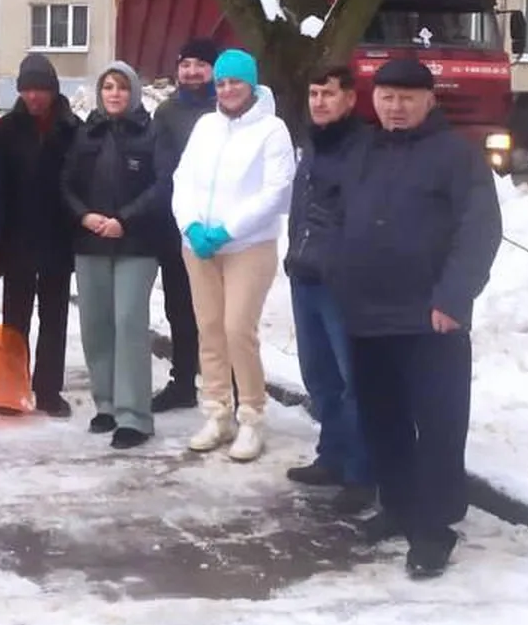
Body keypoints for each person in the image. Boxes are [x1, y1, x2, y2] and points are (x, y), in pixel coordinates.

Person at [331, 57, 502, 579]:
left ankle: (433, 529)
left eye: (407, 97)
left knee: (439, 425)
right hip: (366, 314)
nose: (395, 106)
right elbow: (341, 217)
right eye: (386, 96)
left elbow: (479, 231)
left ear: (430, 101)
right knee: (384, 421)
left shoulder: (456, 156)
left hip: (429, 319)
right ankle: (399, 507)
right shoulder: (363, 149)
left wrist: (453, 299)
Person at [170, 48, 295, 462]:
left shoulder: (272, 130)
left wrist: (228, 229)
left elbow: (275, 190)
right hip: (199, 245)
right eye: (221, 83)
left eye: (235, 82)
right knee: (209, 328)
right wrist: (190, 225)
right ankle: (217, 411)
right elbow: (182, 177)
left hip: (247, 245)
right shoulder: (206, 126)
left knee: (238, 328)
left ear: (252, 84)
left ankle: (252, 415)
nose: (227, 90)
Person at [283, 63, 374, 512]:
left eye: (329, 94)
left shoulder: (362, 150)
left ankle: (361, 473)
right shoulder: (313, 146)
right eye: (314, 93)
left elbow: (360, 217)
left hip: (342, 283)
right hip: (305, 276)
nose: (319, 101)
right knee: (320, 378)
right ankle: (332, 457)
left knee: (353, 378)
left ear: (350, 99)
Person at [60, 61, 165, 449]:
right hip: (90, 244)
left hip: (136, 245)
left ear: (133, 92)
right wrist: (83, 215)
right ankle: (106, 404)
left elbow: (161, 186)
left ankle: (134, 416)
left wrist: (125, 219)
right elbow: (66, 183)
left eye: (122, 87)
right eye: (108, 88)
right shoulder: (87, 132)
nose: (115, 94)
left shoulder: (150, 133)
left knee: (129, 324)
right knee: (96, 326)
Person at [0, 53, 81, 419]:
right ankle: (12, 387)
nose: (34, 97)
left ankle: (48, 390)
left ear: (53, 90)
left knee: (54, 316)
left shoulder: (74, 129)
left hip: (58, 238)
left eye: (41, 89)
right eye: (27, 89)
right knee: (15, 319)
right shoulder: (6, 131)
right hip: (17, 239)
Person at [149, 37, 218, 413]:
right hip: (176, 224)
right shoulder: (168, 112)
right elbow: (163, 168)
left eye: (200, 64)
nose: (192, 72)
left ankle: (228, 385)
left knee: (220, 313)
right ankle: (183, 382)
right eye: (185, 64)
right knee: (180, 308)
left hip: (222, 229)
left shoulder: (228, 107)